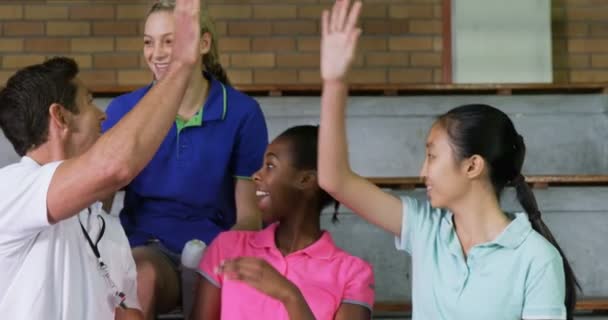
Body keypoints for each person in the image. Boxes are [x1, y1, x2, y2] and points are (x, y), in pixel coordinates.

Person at [316, 1, 579, 319]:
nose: (422, 171)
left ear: (472, 166)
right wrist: (334, 83)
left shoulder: (537, 258)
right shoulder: (426, 228)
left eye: (431, 156)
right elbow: (334, 180)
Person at [0, 0, 201, 318]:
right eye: (90, 102)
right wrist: (180, 67)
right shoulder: (9, 189)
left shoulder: (105, 228)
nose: (102, 115)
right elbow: (114, 166)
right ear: (60, 117)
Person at [101, 0, 268, 317]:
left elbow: (249, 217)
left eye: (170, 41)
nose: (157, 53)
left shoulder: (244, 113)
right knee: (142, 278)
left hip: (215, 250)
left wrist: (219, 257)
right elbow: (100, 206)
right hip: (147, 247)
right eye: (149, 42)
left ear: (203, 43)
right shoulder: (123, 111)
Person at [192, 125, 375, 320]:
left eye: (270, 166)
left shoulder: (353, 273)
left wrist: (289, 296)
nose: (256, 175)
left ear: (306, 180)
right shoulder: (227, 247)